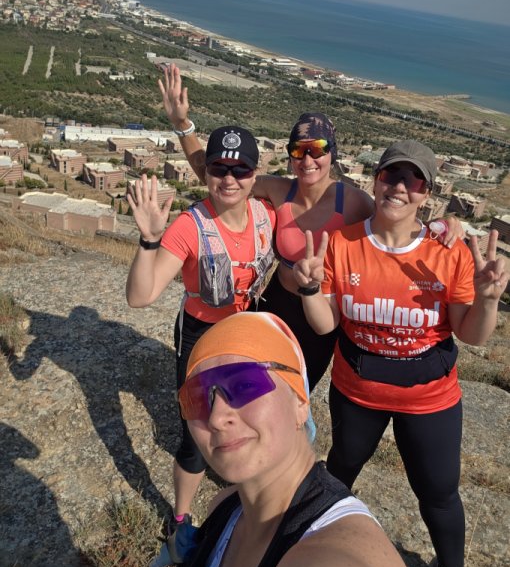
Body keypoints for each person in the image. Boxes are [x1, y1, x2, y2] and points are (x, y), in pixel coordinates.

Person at [158, 63, 461, 390]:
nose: (307, 160)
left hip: (321, 314)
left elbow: (396, 219)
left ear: (332, 154)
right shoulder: (279, 190)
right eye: (298, 151)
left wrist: (443, 224)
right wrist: (183, 126)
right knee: (256, 386)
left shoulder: (352, 202)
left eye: (317, 150)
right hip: (275, 305)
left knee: (298, 389)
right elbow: (220, 177)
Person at [292, 140, 509, 567]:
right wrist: (310, 289)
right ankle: (312, 552)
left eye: (415, 180)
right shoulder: (343, 243)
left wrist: (487, 300)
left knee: (439, 494)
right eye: (391, 175)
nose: (400, 187)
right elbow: (326, 324)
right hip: (357, 393)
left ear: (427, 193)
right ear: (376, 180)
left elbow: (471, 335)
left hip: (430, 399)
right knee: (340, 472)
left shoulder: (448, 252)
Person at [163, 311, 406, 567]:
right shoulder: (223, 507)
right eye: (197, 398)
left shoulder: (333, 553)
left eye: (245, 385)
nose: (216, 418)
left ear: (300, 401)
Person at [126, 125, 276, 532]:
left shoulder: (267, 215)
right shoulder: (189, 226)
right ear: (205, 172)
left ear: (255, 176)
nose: (229, 179)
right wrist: (149, 241)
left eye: (241, 170)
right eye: (219, 168)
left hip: (246, 335)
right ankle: (180, 520)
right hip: (200, 338)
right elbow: (141, 296)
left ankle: (244, 498)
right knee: (197, 434)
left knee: (248, 418)